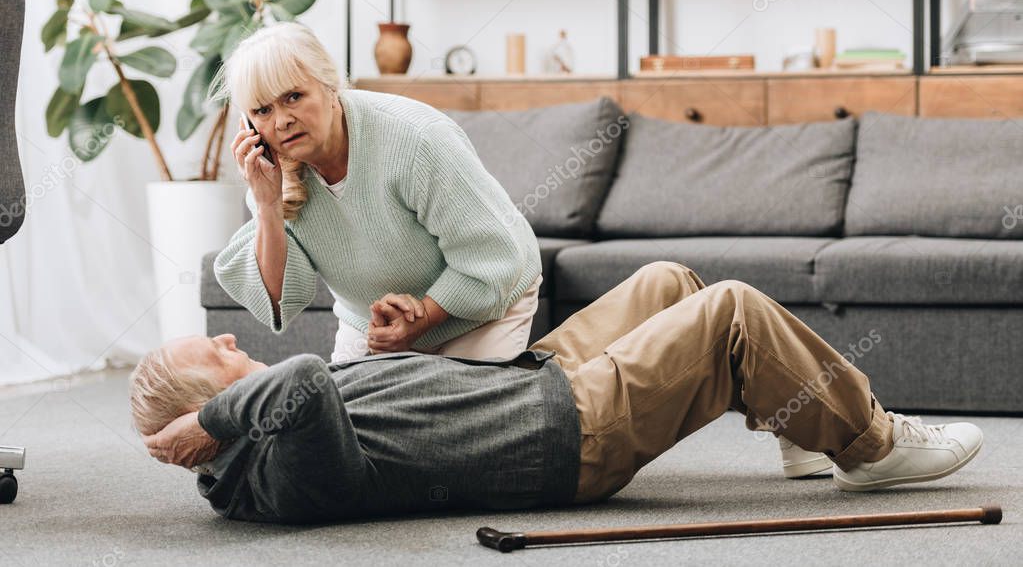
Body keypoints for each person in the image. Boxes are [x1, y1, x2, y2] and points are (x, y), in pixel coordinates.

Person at [132, 262, 983, 524]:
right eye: (210, 352)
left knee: (666, 280)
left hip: (531, 383)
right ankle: (868, 445)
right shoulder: (275, 478)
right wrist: (211, 416)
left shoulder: (269, 434)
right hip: (565, 435)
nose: (229, 338)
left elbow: (352, 390)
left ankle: (800, 416)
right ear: (201, 409)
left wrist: (404, 343)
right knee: (730, 309)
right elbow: (310, 382)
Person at [210, 22, 542, 363]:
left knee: (462, 414)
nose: (281, 122)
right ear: (249, 125)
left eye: (293, 97)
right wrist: (267, 205)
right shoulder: (272, 173)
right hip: (374, 325)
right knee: (345, 414)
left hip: (484, 302)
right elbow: (281, 298)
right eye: (262, 111)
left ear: (329, 85)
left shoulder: (418, 139)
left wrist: (423, 317)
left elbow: (493, 257)